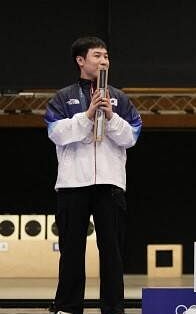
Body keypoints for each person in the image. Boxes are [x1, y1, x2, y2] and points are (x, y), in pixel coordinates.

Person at [44, 36, 142, 314]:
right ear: (81, 60)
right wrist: (87, 115)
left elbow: (132, 136)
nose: (104, 61)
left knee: (112, 252)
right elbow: (56, 134)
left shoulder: (119, 98)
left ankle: (113, 308)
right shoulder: (63, 97)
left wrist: (111, 116)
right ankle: (67, 306)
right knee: (71, 250)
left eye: (106, 56)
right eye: (97, 56)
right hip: (73, 184)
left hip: (110, 185)